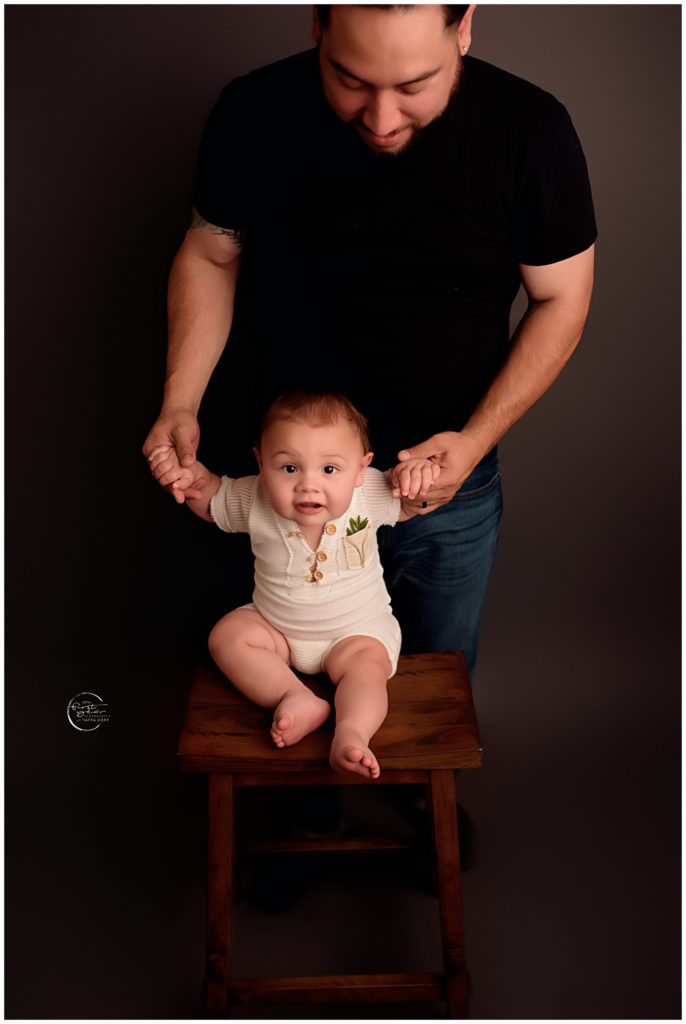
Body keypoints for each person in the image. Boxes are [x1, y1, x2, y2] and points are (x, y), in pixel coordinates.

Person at [142, 3, 596, 683]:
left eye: (415, 85)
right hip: (287, 484)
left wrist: (472, 442)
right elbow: (210, 256)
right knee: (288, 689)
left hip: (450, 492)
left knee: (436, 683)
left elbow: (561, 297)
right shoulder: (252, 110)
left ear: (464, 25)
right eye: (350, 80)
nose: (381, 121)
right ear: (316, 26)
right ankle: (312, 797)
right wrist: (180, 401)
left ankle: (414, 798)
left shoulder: (531, 130)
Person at [148, 391, 439, 779]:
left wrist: (419, 478)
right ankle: (294, 696)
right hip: (277, 628)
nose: (308, 485)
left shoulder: (369, 492)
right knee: (228, 636)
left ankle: (352, 733)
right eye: (288, 468)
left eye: (329, 470)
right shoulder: (253, 496)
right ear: (261, 463)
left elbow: (413, 503)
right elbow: (210, 497)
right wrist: (189, 478)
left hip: (355, 632)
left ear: (360, 469)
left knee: (367, 670)